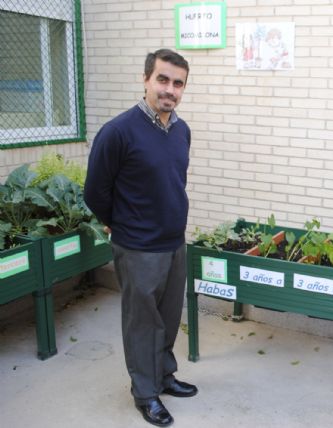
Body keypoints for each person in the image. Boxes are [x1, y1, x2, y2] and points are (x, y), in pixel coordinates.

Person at [84, 49, 195, 427]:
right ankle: (145, 393)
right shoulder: (118, 131)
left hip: (174, 243)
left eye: (177, 83)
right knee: (141, 323)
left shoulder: (181, 130)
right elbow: (95, 191)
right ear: (146, 79)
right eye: (162, 80)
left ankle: (164, 376)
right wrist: (119, 223)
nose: (170, 89)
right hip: (138, 247)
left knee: (166, 317)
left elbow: (172, 181)